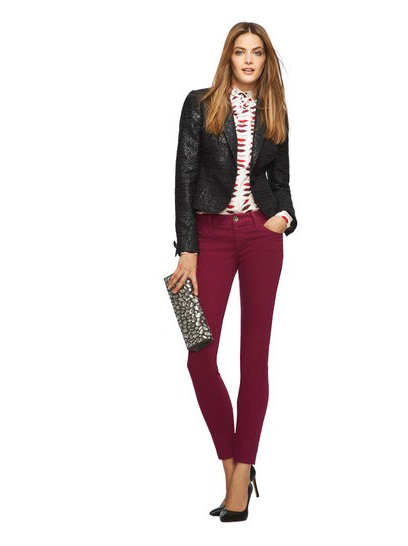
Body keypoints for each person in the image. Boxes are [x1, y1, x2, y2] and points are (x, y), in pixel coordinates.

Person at [167, 21, 298, 522]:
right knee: (199, 356)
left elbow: (282, 180)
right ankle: (232, 467)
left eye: (257, 52)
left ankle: (243, 475)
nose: (248, 60)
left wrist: (284, 218)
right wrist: (188, 250)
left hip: (262, 237)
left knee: (253, 360)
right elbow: (183, 178)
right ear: (228, 57)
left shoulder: (275, 109)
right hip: (210, 237)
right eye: (240, 51)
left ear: (266, 60)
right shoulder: (200, 104)